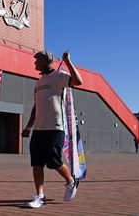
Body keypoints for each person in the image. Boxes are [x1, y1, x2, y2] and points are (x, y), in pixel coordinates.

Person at [21, 50, 83, 208]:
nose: (35, 63)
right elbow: (36, 107)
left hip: (55, 128)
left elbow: (78, 81)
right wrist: (29, 127)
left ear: (45, 61)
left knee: (54, 161)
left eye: (37, 60)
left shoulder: (58, 76)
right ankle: (39, 196)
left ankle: (71, 182)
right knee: (36, 163)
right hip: (39, 130)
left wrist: (68, 62)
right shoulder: (38, 83)